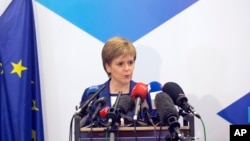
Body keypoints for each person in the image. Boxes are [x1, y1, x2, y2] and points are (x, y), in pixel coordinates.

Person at [79, 36, 147, 127]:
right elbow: (82, 129)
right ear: (108, 67)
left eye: (130, 63)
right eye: (120, 64)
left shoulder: (143, 93)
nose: (127, 68)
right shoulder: (94, 95)